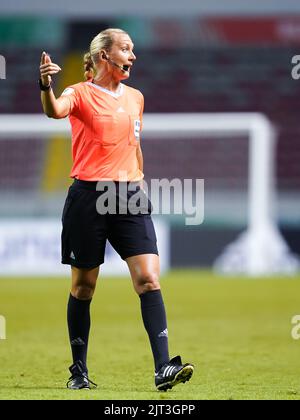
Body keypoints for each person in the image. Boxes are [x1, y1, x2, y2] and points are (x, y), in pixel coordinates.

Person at [39, 28, 194, 391]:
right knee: (83, 288)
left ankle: (163, 369)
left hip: (129, 196)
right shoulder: (79, 92)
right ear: (103, 56)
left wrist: (140, 179)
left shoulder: (136, 98)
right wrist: (45, 85)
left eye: (133, 48)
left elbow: (134, 144)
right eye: (126, 49)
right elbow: (55, 112)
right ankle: (78, 371)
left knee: (148, 279)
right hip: (88, 197)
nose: (133, 55)